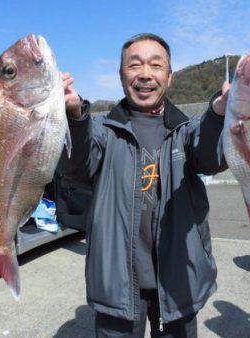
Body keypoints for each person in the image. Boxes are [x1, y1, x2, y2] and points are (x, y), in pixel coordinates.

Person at [61, 33, 229, 337]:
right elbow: (76, 167)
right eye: (134, 65)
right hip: (119, 285)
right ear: (121, 75)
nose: (145, 74)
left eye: (156, 65)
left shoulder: (187, 130)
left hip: (179, 282)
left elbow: (210, 157)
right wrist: (74, 117)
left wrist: (218, 114)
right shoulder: (100, 129)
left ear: (170, 76)